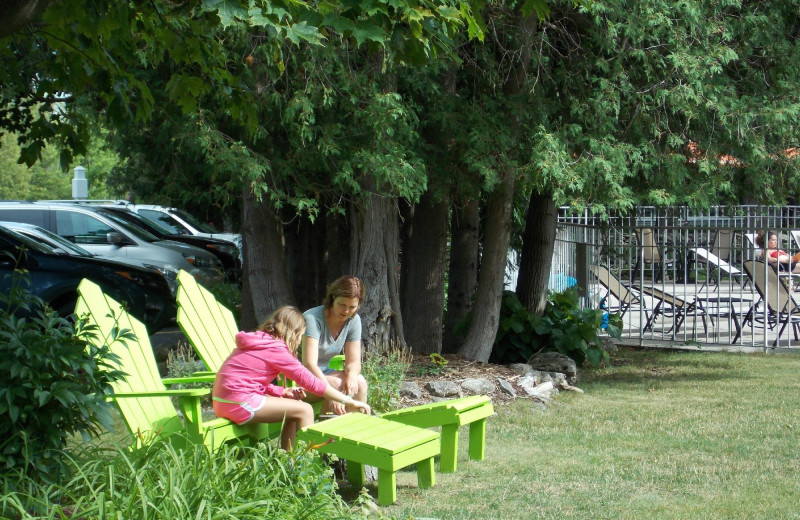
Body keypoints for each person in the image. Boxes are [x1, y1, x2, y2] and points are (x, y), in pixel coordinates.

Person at [212, 306, 370, 450]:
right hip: (238, 402)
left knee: (294, 406)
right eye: (301, 335)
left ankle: (290, 462)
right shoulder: (276, 350)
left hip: (223, 401)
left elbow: (251, 379)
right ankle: (306, 468)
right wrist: (348, 400)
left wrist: (282, 391)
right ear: (293, 333)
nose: (300, 340)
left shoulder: (260, 342)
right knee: (305, 410)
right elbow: (312, 382)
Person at [302, 276, 368, 415]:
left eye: (352, 307)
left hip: (325, 373)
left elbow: (354, 361)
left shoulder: (354, 320)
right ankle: (326, 433)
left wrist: (351, 376)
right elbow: (309, 364)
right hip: (299, 378)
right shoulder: (313, 318)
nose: (346, 311)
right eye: (342, 304)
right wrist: (335, 394)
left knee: (360, 382)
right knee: (337, 385)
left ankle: (354, 430)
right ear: (333, 298)